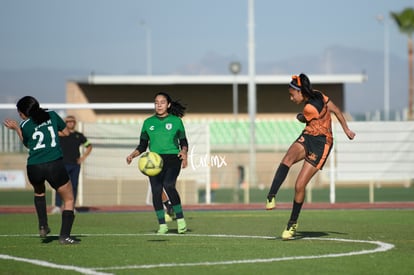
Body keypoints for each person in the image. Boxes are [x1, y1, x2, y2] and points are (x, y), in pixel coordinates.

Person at [265, 74, 355, 240]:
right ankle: (271, 196)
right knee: (287, 159)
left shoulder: (309, 108)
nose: (291, 98)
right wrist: (346, 129)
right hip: (308, 135)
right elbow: (335, 110)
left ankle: (292, 223)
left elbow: (304, 117)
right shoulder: (319, 94)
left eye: (292, 94)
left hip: (322, 143)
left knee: (299, 185)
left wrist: (300, 117)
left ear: (300, 92)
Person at [3, 96, 78, 244]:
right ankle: (64, 236)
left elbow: (27, 144)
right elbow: (66, 133)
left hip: (34, 166)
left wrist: (17, 128)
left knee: (39, 192)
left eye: (20, 112)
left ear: (24, 113)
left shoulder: (24, 125)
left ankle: (43, 226)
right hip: (53, 164)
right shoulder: (52, 114)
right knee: (68, 199)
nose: (20, 115)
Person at [126, 92, 189, 234]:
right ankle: (162, 225)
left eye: (162, 102)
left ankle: (180, 219)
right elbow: (142, 145)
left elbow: (183, 141)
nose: (159, 105)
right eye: (156, 102)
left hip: (173, 158)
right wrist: (133, 155)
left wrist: (184, 153)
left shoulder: (176, 121)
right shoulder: (148, 123)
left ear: (168, 105)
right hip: (154, 160)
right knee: (156, 190)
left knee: (169, 185)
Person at [52, 115, 92, 214]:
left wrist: (83, 158)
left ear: (75, 123)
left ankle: (71, 207)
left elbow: (89, 146)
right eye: (68, 121)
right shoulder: (59, 134)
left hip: (75, 165)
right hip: (62, 164)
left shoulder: (79, 135)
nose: (70, 123)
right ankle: (58, 206)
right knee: (60, 186)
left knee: (74, 185)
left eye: (72, 121)